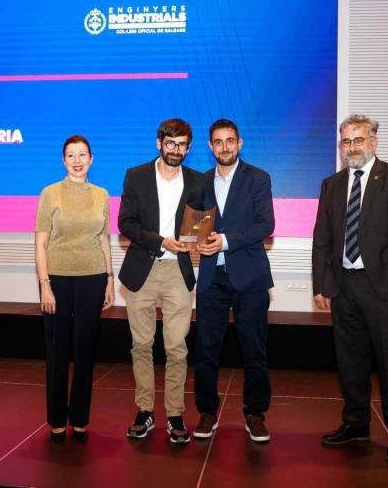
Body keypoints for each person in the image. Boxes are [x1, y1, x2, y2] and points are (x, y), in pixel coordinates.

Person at [311, 114, 388, 461]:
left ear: (373, 142)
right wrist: (321, 284)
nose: (352, 147)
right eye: (346, 141)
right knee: (350, 361)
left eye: (358, 140)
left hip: (385, 288)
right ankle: (356, 424)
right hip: (343, 286)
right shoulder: (331, 184)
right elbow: (321, 239)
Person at [118, 118, 204, 443]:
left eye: (182, 145)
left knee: (177, 348)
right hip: (142, 268)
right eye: (170, 144)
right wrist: (160, 241)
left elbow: (201, 224)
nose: (175, 150)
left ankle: (175, 414)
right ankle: (144, 410)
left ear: (188, 148)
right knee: (141, 345)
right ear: (159, 143)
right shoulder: (136, 176)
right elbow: (126, 222)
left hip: (178, 272)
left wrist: (194, 240)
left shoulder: (197, 181)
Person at [193, 119, 275, 443]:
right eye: (218, 141)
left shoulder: (258, 178)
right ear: (210, 146)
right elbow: (195, 225)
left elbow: (265, 224)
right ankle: (206, 411)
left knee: (254, 350)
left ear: (239, 143)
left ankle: (255, 414)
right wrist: (197, 241)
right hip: (211, 277)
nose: (224, 147)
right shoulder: (200, 182)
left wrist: (225, 241)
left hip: (250, 277)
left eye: (230, 140)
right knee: (205, 349)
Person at [34, 134, 115, 443]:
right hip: (57, 278)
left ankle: (79, 418)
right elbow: (40, 243)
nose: (77, 160)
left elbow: (104, 239)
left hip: (93, 277)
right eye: (71, 155)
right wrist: (45, 285)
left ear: (91, 159)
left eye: (82, 155)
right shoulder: (50, 193)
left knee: (85, 351)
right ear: (63, 160)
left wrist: (109, 279)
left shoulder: (102, 194)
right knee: (57, 352)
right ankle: (57, 420)